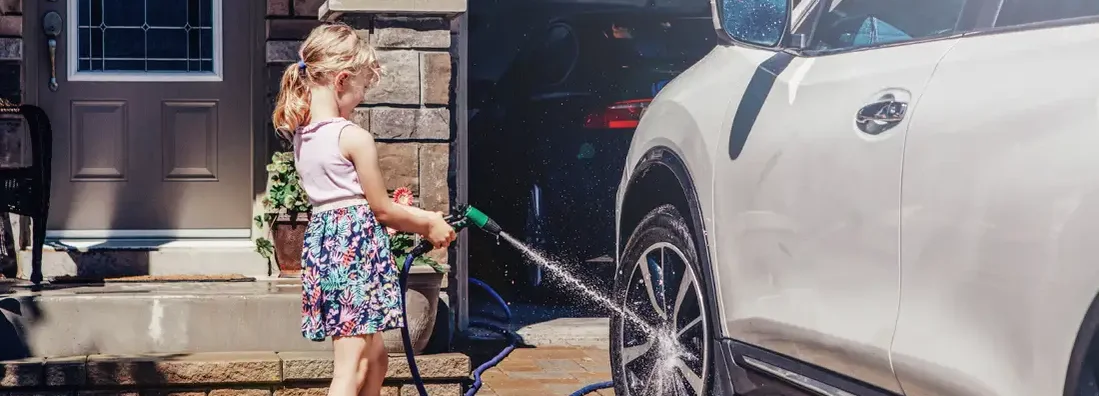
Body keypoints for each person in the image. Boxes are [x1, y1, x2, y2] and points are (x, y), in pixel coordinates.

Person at [271, 23, 457, 396]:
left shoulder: (304, 137)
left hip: (330, 248)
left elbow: (348, 205)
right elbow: (382, 209)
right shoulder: (352, 137)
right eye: (362, 88)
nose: (362, 97)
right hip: (351, 253)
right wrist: (427, 222)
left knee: (375, 357)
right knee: (352, 362)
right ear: (341, 80)